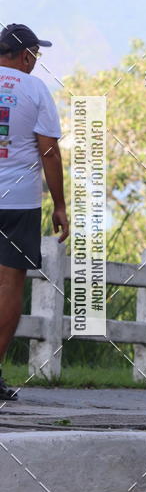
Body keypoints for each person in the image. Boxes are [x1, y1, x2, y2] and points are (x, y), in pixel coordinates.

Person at [0, 24, 69, 400]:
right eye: (36, 55)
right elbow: (50, 153)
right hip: (18, 203)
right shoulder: (35, 89)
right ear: (25, 55)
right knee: (9, 286)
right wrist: (59, 205)